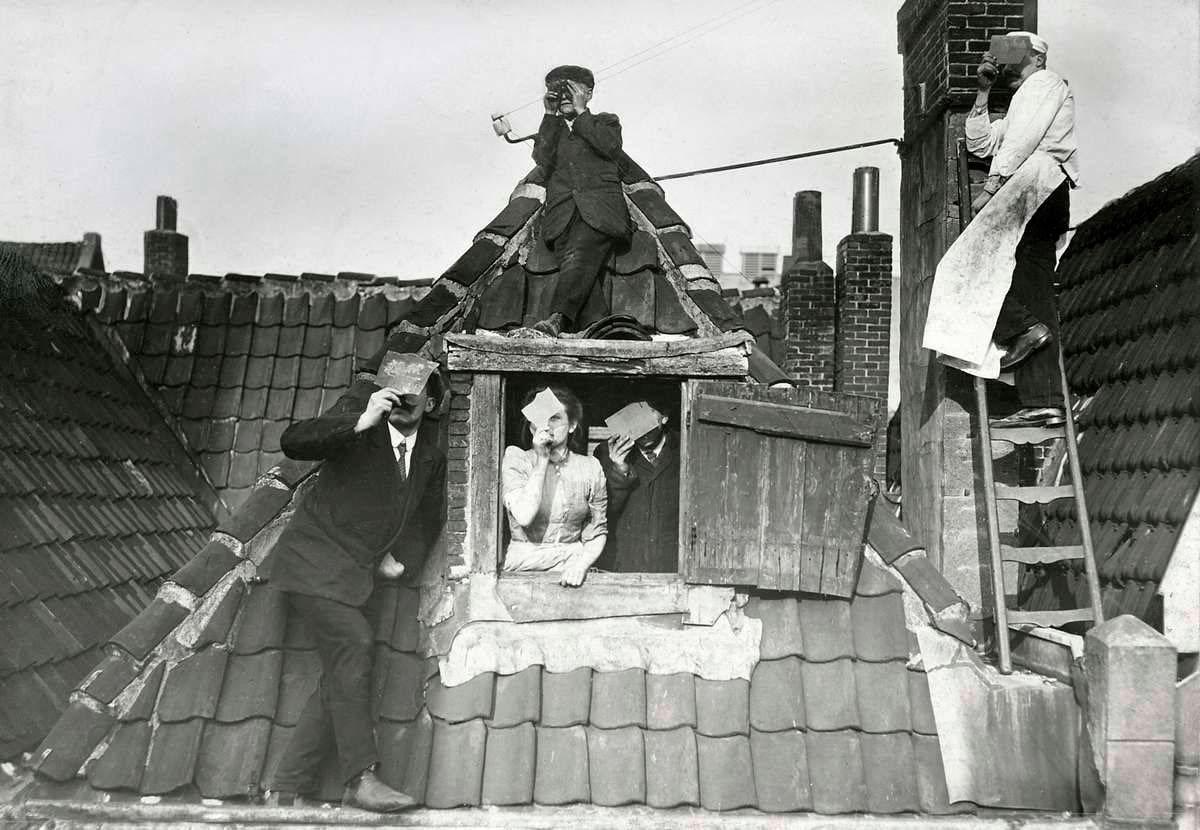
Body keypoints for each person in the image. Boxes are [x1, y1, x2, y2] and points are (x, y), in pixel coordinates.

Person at [264, 364, 446, 812]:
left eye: (416, 392)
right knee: (354, 644)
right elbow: (294, 440)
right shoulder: (361, 425)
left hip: (356, 580)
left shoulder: (430, 455)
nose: (404, 399)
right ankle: (360, 778)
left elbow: (425, 518)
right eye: (396, 390)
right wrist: (360, 421)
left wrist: (401, 560)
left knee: (342, 675)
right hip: (311, 565)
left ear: (434, 402)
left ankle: (286, 786)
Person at [965, 31, 1079, 427]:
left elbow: (1023, 141)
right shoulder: (1021, 97)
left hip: (1038, 187)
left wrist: (991, 186)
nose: (1004, 64)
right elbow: (980, 144)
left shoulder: (1045, 83)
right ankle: (1044, 399)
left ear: (1033, 57)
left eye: (1011, 57)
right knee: (1034, 292)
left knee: (971, 267)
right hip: (1034, 189)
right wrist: (983, 93)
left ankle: (1020, 329)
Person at [529, 65, 633, 337]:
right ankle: (599, 328)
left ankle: (557, 318)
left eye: (570, 90)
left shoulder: (606, 122)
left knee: (579, 256)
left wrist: (581, 112)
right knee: (581, 271)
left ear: (587, 93)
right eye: (558, 91)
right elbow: (542, 159)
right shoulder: (553, 129)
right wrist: (549, 115)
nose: (564, 96)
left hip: (600, 213)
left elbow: (610, 147)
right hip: (562, 217)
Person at [501, 385, 607, 586]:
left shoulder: (590, 467)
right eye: (539, 419)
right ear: (531, 426)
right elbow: (524, 515)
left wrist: (581, 566)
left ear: (572, 425)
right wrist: (542, 459)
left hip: (571, 567)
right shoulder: (517, 459)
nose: (546, 426)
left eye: (555, 418)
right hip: (524, 567)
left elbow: (597, 530)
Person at [594, 399, 679, 573]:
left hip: (672, 561)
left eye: (647, 415)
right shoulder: (605, 452)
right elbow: (603, 511)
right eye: (632, 418)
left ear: (665, 417)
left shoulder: (687, 445)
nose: (641, 428)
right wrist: (618, 468)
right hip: (625, 561)